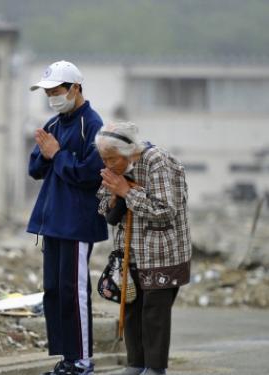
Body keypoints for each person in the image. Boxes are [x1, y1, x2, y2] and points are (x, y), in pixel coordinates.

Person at [27, 61, 108, 375]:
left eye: (57, 90)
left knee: (74, 292)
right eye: (48, 92)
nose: (52, 97)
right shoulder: (54, 123)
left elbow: (89, 174)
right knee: (54, 290)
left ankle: (82, 360)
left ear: (76, 88)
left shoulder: (94, 125)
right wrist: (50, 153)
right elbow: (35, 169)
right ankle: (67, 358)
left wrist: (58, 155)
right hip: (52, 221)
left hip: (76, 222)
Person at [94, 122, 192, 375]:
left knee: (154, 313)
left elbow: (165, 211)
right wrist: (116, 195)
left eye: (111, 159)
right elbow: (105, 210)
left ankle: (155, 368)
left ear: (128, 151)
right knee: (132, 309)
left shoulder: (156, 161)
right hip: (130, 253)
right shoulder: (116, 169)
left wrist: (127, 192)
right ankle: (135, 364)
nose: (107, 165)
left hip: (162, 252)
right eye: (103, 159)